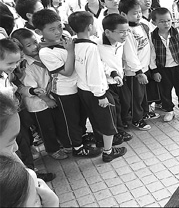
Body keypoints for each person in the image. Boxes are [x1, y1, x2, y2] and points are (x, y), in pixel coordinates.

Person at [33, 9, 103, 158]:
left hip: (78, 86)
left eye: (59, 26)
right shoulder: (45, 52)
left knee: (80, 117)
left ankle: (82, 137)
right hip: (64, 92)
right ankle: (76, 147)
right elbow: (67, 72)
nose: (58, 32)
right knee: (70, 121)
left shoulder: (64, 38)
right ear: (39, 32)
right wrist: (70, 51)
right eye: (52, 29)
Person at [68, 11, 128, 162]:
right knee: (107, 121)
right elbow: (94, 72)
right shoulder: (92, 48)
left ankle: (102, 143)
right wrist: (101, 95)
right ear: (89, 27)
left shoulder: (74, 44)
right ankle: (108, 152)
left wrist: (112, 72)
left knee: (96, 119)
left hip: (83, 90)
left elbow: (99, 65)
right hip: (97, 92)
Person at [11, 28, 70, 160]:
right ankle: (52, 149)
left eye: (35, 42)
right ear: (20, 49)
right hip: (38, 104)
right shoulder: (26, 65)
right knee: (46, 128)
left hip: (50, 97)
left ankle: (60, 143)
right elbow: (31, 88)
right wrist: (47, 100)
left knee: (56, 123)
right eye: (28, 45)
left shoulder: (43, 55)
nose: (34, 47)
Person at [119, 0, 159, 130]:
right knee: (136, 97)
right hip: (134, 71)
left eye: (140, 12)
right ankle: (137, 119)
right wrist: (138, 72)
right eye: (135, 13)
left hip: (144, 67)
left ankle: (145, 112)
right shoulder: (127, 32)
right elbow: (129, 54)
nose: (138, 15)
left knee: (143, 94)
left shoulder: (141, 25)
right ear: (123, 14)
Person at [149, 8, 179, 122]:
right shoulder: (153, 36)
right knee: (165, 91)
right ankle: (169, 110)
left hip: (178, 67)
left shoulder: (177, 33)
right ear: (154, 23)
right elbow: (151, 55)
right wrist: (155, 71)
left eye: (168, 20)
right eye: (162, 21)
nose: (166, 24)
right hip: (162, 69)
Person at [98, 13, 134, 136]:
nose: (126, 34)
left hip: (120, 79)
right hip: (108, 83)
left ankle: (124, 124)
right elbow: (99, 63)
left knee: (126, 103)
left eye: (127, 31)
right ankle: (119, 132)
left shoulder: (120, 42)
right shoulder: (97, 45)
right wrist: (112, 73)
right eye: (122, 32)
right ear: (108, 32)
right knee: (116, 108)